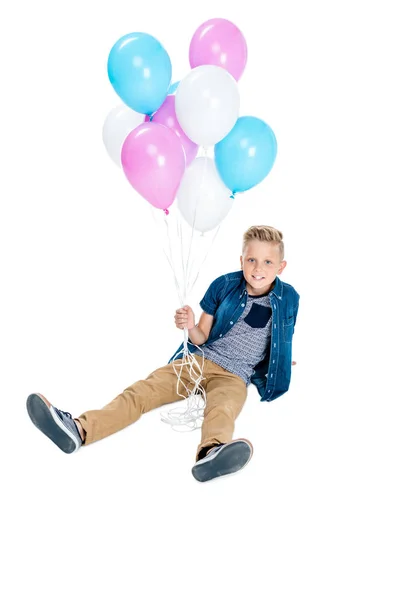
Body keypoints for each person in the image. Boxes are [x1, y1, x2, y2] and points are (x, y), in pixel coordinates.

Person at [26, 225, 300, 482]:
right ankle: (79, 429)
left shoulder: (289, 298)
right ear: (241, 260)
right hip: (200, 360)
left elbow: (280, 337)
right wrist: (191, 325)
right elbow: (201, 336)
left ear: (281, 266)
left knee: (223, 409)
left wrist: (280, 361)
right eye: (252, 260)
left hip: (235, 376)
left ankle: (211, 453)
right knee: (143, 392)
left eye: (267, 262)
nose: (258, 268)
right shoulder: (224, 284)